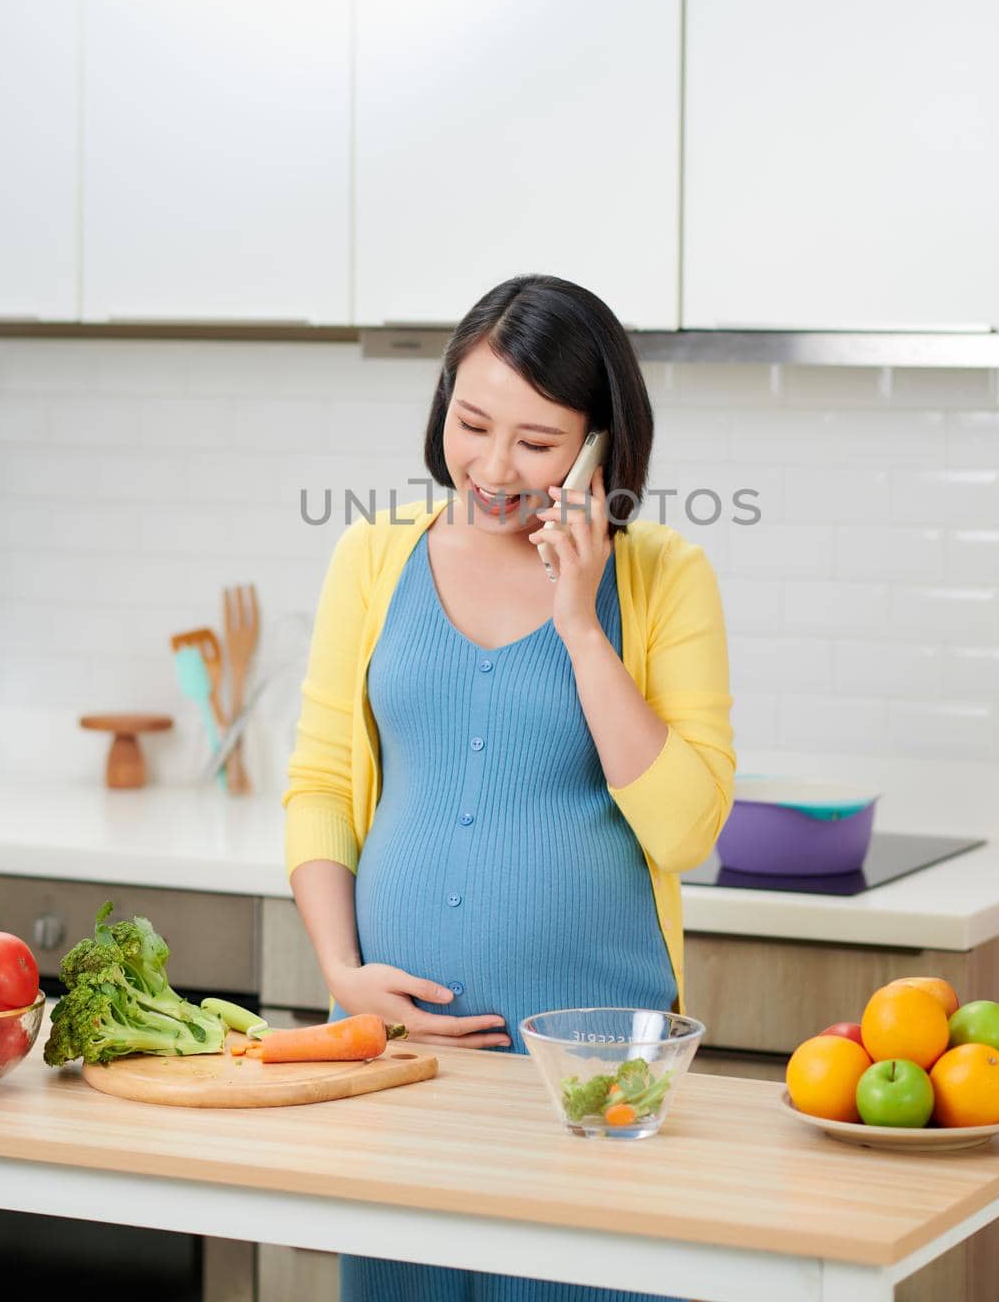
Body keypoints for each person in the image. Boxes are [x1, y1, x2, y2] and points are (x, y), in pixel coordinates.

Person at [283, 273, 737, 1302]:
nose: (491, 466)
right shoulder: (371, 554)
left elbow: (685, 829)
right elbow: (315, 781)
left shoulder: (662, 576)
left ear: (597, 445)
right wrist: (341, 970)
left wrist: (580, 623)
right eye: (471, 420)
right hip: (399, 1066)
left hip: (591, 1081)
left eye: (535, 443)